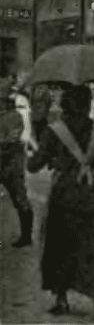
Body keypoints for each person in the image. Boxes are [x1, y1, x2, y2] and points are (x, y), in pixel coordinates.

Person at [27, 85, 94, 323]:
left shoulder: (54, 131)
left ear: (65, 105)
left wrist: (38, 152)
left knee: (60, 245)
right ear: (88, 104)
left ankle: (61, 299)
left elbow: (34, 165)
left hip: (65, 197)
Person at [0, 79, 34, 247]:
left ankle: (26, 236)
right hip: (10, 162)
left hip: (12, 163)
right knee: (20, 199)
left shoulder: (14, 116)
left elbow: (10, 141)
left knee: (20, 199)